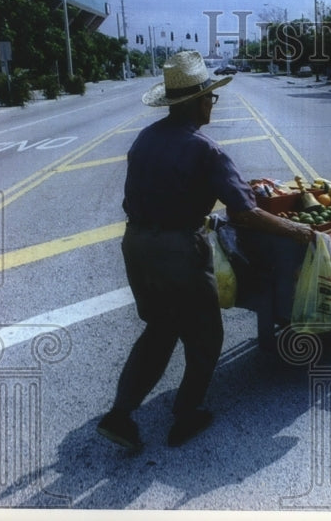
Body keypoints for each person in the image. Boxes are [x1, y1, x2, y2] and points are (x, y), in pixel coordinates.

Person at [97, 50, 314, 451]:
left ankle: (120, 415)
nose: (212, 105)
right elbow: (245, 212)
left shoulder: (146, 139)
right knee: (206, 334)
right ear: (198, 101)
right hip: (179, 250)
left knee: (160, 328)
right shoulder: (205, 150)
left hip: (137, 245)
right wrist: (296, 230)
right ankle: (186, 415)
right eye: (210, 98)